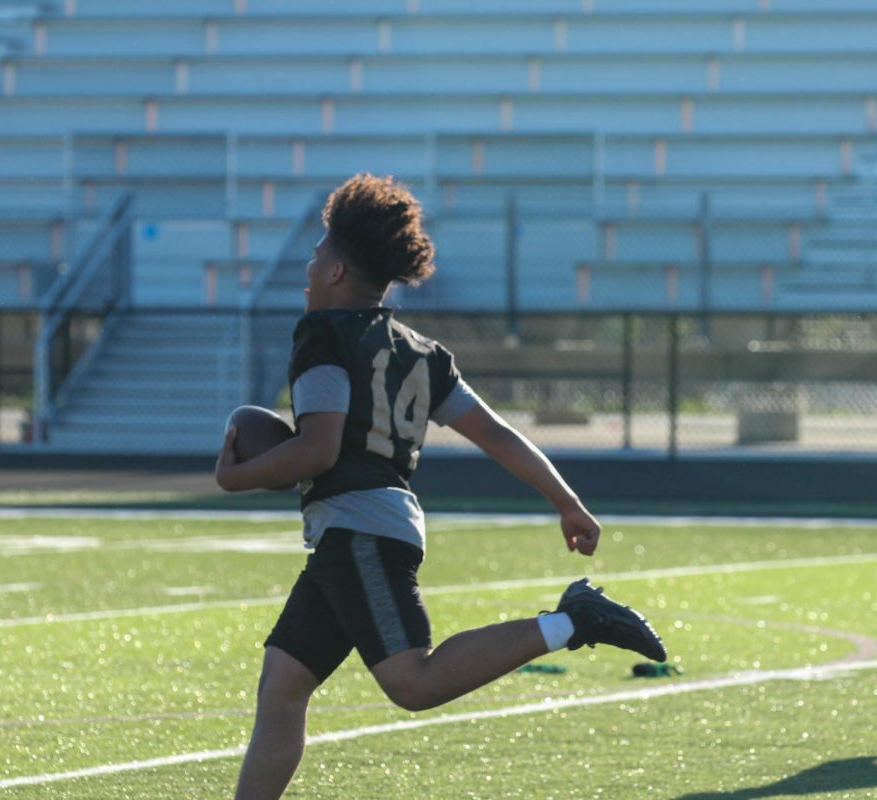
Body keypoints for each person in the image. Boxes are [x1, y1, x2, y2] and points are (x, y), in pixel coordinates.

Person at [215, 173, 666, 800]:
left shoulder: (323, 334)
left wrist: (233, 475)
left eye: (320, 251)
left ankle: (572, 622)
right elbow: (499, 434)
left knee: (413, 683)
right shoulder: (423, 352)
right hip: (367, 528)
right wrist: (566, 501)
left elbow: (316, 449)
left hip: (359, 530)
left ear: (340, 272)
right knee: (283, 685)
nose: (310, 263)